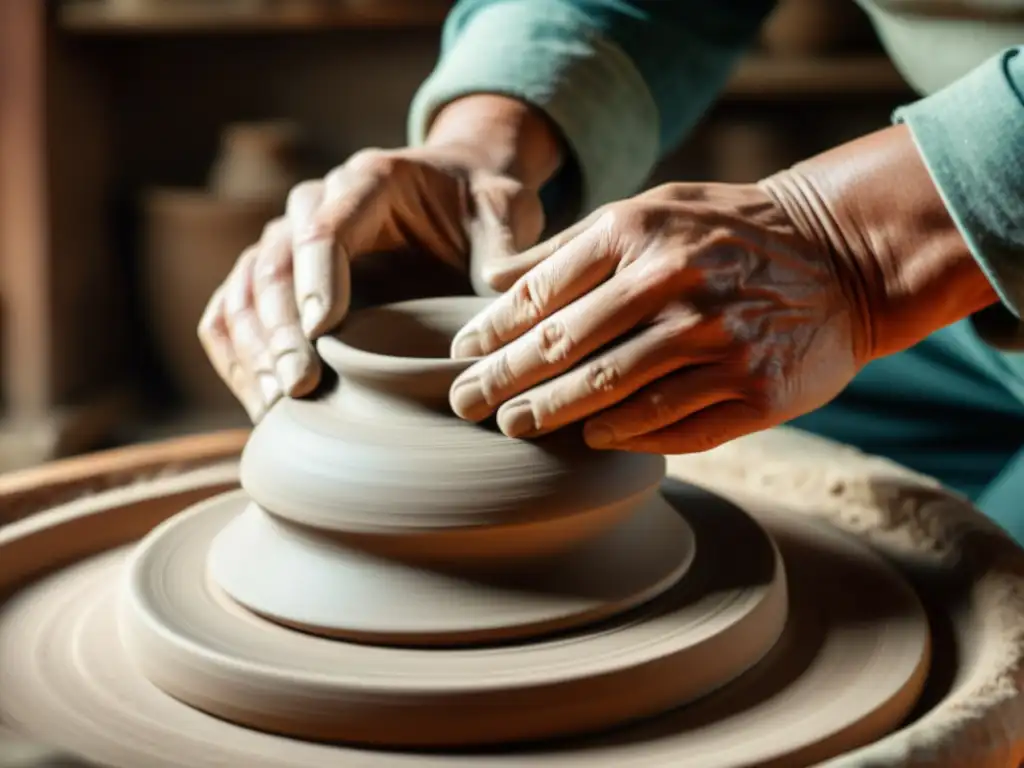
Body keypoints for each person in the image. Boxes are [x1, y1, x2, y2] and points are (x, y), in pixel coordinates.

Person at [198, 1, 1024, 541]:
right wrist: (482, 141)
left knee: (963, 623)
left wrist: (849, 241)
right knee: (654, 420)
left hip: (969, 220)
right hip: (989, 284)